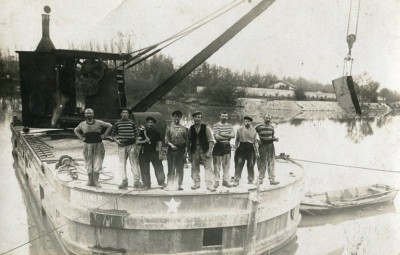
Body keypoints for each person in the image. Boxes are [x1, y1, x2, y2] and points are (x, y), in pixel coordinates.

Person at [74, 108, 112, 187]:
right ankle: (90, 181)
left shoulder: (99, 122)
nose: (89, 115)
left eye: (90, 113)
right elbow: (75, 130)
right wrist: (82, 138)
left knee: (97, 162)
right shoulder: (82, 124)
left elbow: (109, 125)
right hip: (88, 146)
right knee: (88, 162)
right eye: (87, 113)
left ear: (93, 114)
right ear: (85, 115)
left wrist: (104, 135)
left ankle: (96, 181)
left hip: (98, 145)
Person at [111, 108, 145, 189]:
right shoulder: (117, 123)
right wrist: (117, 142)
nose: (125, 114)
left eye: (126, 113)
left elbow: (136, 134)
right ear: (121, 114)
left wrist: (135, 143)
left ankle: (137, 181)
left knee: (134, 163)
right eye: (123, 113)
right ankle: (124, 181)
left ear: (128, 114)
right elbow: (113, 135)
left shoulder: (132, 122)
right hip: (122, 146)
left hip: (132, 145)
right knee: (122, 164)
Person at [187, 111, 216, 191]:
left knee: (208, 168)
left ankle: (209, 185)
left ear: (201, 118)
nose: (197, 119)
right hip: (194, 150)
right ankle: (196, 183)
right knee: (194, 168)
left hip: (205, 149)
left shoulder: (206, 127)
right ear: (193, 118)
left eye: (199, 117)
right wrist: (189, 154)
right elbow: (188, 142)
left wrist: (209, 151)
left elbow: (211, 141)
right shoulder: (191, 128)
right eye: (196, 117)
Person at [139, 116, 166, 190]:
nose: (150, 124)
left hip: (154, 152)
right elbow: (137, 141)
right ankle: (147, 184)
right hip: (144, 152)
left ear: (154, 124)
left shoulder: (156, 131)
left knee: (159, 167)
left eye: (152, 122)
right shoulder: (142, 131)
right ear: (147, 123)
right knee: (144, 169)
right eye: (149, 122)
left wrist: (160, 152)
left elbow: (159, 141)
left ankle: (161, 182)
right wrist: (143, 140)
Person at [232, 116, 260, 186]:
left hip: (250, 148)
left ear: (251, 122)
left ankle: (250, 180)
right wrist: (235, 148)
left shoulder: (254, 131)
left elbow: (255, 142)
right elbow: (237, 140)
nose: (247, 123)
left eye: (248, 121)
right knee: (239, 164)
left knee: (250, 164)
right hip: (242, 148)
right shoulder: (240, 129)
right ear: (244, 122)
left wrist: (257, 152)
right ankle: (236, 180)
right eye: (245, 121)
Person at [165, 110, 188, 191]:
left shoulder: (185, 129)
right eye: (175, 116)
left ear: (181, 117)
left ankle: (178, 184)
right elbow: (166, 140)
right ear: (172, 117)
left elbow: (187, 143)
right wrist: (172, 145)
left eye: (178, 116)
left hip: (181, 150)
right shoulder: (169, 128)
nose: (177, 118)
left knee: (180, 168)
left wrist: (185, 153)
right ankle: (169, 184)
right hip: (171, 150)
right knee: (171, 168)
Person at [212, 111, 235, 188]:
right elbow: (216, 137)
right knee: (217, 165)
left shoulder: (230, 125)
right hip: (218, 146)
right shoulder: (216, 125)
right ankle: (216, 181)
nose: (224, 118)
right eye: (223, 116)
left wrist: (222, 134)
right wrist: (227, 137)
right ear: (220, 116)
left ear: (227, 117)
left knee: (226, 165)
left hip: (227, 146)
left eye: (225, 116)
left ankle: (225, 181)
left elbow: (233, 135)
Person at [256, 114, 279, 185]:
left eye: (269, 118)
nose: (268, 119)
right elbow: (253, 134)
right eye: (266, 118)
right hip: (263, 146)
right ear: (263, 118)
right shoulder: (259, 127)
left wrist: (275, 139)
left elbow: (272, 136)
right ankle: (260, 179)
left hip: (271, 146)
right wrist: (257, 140)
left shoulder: (272, 127)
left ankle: (272, 179)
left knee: (271, 162)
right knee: (263, 162)